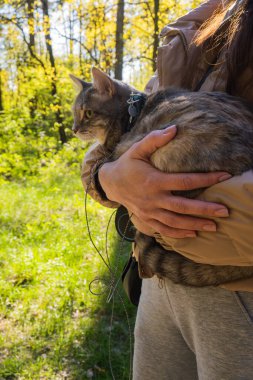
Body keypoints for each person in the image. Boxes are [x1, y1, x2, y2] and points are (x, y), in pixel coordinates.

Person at [82, 0, 253, 378]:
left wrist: (161, 212)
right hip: (160, 279)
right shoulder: (206, 18)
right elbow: (125, 133)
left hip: (239, 294)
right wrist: (109, 179)